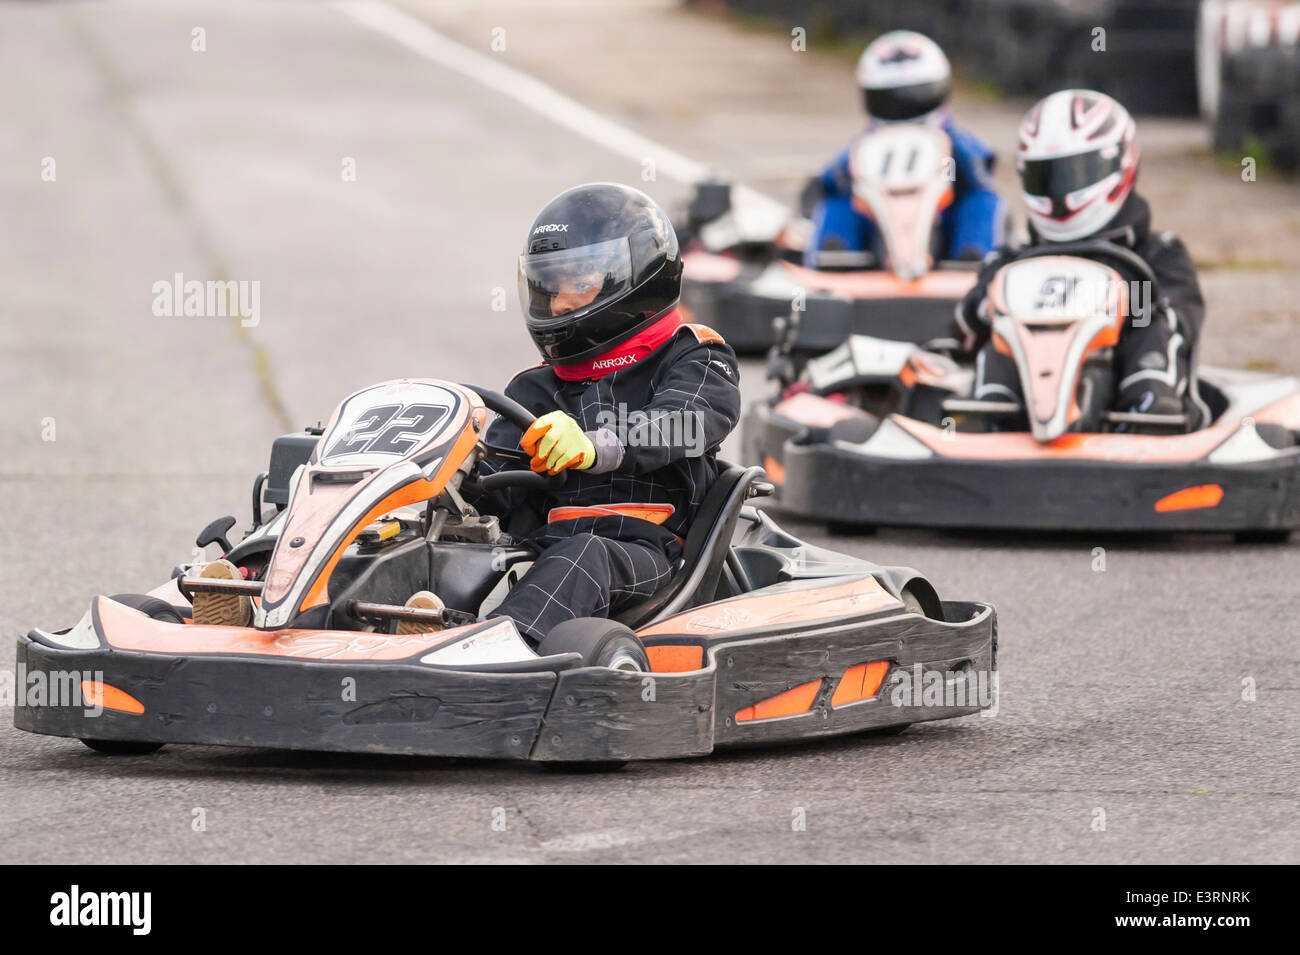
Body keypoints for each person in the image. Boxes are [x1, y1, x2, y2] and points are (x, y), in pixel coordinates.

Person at [403, 182, 742, 645]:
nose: (561, 304)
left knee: (584, 556)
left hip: (649, 554)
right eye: (552, 286)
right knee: (436, 544)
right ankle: (400, 632)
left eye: (580, 284)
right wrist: (439, 478)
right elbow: (493, 485)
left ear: (638, 278)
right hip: (546, 552)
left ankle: (496, 650)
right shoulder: (535, 387)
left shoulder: (695, 357)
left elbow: (685, 422)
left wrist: (595, 443)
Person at [954, 89, 1206, 428]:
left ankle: (1148, 408)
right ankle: (990, 416)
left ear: (1119, 165)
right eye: (1047, 176)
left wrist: (1123, 301)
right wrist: (992, 306)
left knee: (1150, 318)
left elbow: (1183, 322)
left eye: (1072, 174)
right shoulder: (1010, 260)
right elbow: (963, 329)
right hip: (1019, 421)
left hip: (1121, 412)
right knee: (1000, 328)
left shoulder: (1158, 253)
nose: (1059, 193)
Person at [802, 29, 1005, 267]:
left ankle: (973, 257)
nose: (903, 106)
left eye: (915, 96)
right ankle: (835, 259)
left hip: (943, 220)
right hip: (876, 221)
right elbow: (831, 178)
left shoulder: (953, 141)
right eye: (890, 99)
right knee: (838, 204)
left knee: (983, 202)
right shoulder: (866, 148)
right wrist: (821, 187)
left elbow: (982, 166)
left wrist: (967, 172)